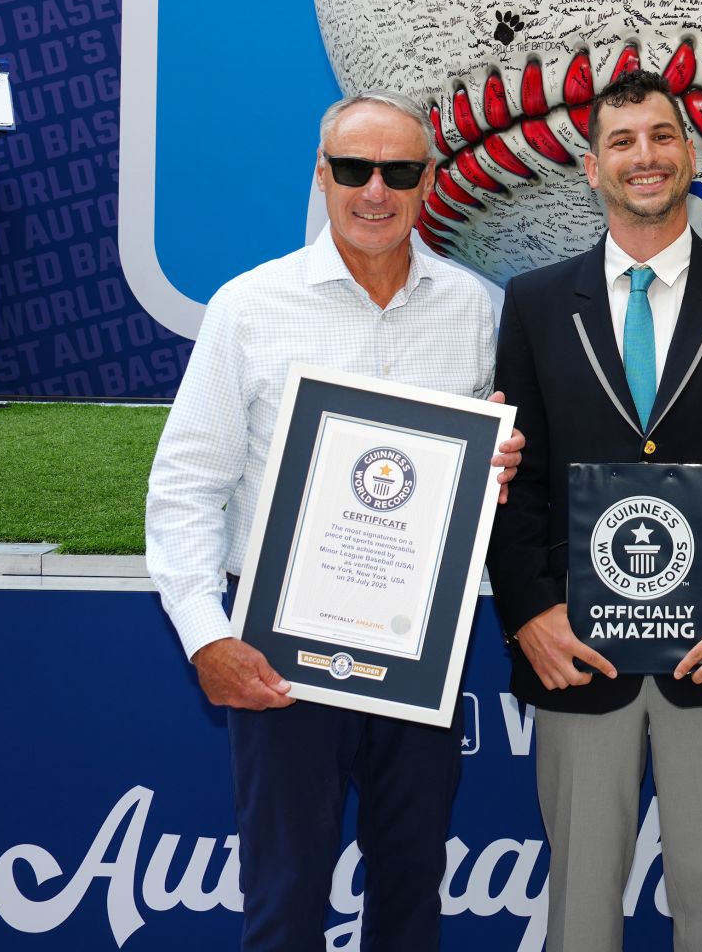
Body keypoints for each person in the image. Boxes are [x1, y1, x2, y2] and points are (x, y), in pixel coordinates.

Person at [145, 92, 523, 952]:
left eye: (400, 171)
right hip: (277, 646)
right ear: (322, 176)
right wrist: (208, 636)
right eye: (354, 169)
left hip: (419, 644)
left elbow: (488, 476)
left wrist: (503, 464)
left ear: (430, 181)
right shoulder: (249, 306)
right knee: (284, 897)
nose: (375, 190)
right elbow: (186, 484)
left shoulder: (475, 310)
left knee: (410, 884)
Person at [488, 68, 702, 952]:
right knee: (581, 912)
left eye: (662, 137)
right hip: (577, 655)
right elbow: (511, 481)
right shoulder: (537, 302)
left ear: (691, 154)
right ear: (591, 168)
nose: (646, 156)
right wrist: (529, 615)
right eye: (623, 141)